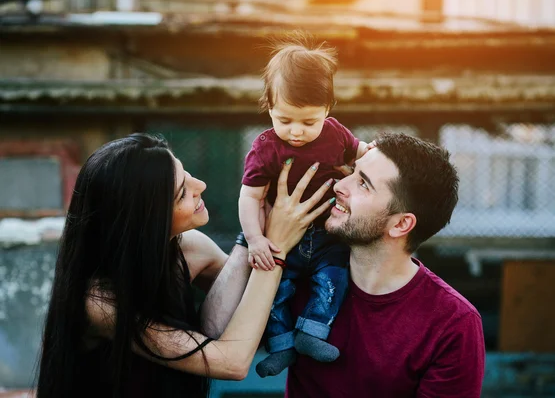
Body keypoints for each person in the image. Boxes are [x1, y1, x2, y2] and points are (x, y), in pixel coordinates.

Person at [36, 133, 333, 398]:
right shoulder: (101, 304)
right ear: (148, 221)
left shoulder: (189, 247)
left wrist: (254, 235)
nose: (200, 185)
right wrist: (276, 247)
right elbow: (232, 361)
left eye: (186, 173)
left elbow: (233, 317)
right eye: (181, 193)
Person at [209, 132, 486, 397]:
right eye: (351, 171)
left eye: (363, 183)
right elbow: (213, 331)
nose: (339, 185)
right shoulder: (301, 271)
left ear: (401, 224)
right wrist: (257, 235)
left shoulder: (453, 323)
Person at [238, 35, 371, 378]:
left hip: (328, 234)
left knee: (333, 281)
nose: (295, 132)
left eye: (308, 122)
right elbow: (249, 196)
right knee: (277, 290)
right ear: (268, 105)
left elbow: (362, 154)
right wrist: (255, 239)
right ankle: (280, 345)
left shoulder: (336, 134)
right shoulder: (265, 148)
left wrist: (374, 154)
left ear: (327, 110)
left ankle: (313, 333)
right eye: (284, 120)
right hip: (284, 239)